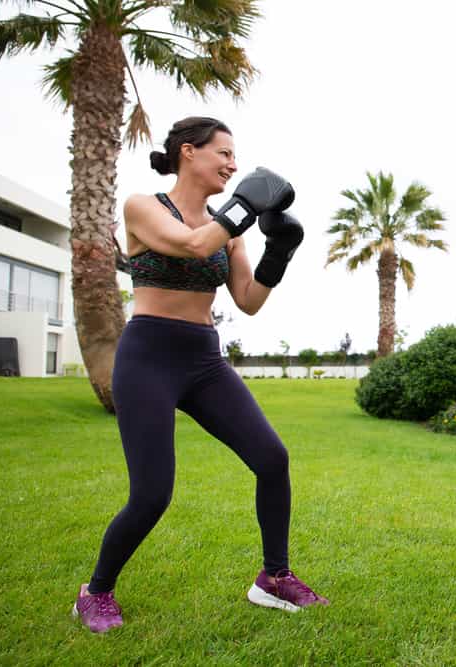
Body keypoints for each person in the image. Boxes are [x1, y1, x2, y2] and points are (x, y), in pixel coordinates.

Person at [73, 116, 326, 633]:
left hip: (204, 360)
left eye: (236, 157)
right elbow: (190, 245)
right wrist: (245, 207)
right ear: (189, 152)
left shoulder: (227, 229)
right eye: (224, 154)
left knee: (272, 458)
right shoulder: (144, 208)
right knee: (152, 494)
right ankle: (95, 591)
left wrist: (278, 253)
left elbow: (249, 301)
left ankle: (274, 577)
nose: (233, 165)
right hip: (148, 357)